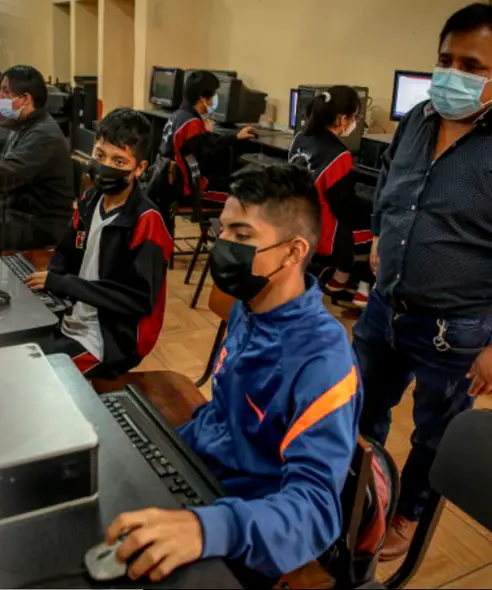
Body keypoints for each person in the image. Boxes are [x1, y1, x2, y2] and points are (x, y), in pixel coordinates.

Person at [105, 165, 361, 583]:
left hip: (246, 529)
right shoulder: (251, 303)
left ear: (295, 251)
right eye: (223, 230)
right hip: (199, 481)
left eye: (242, 236)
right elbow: (224, 416)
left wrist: (206, 527)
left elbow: (316, 511)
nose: (223, 245)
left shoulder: (322, 361)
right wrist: (155, 451)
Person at [357, 0, 492, 561]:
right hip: (385, 307)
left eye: (472, 66)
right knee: (361, 406)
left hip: (460, 327)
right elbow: (388, 188)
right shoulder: (420, 117)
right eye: (445, 60)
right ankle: (358, 492)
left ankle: (407, 512)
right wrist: (379, 234)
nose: (453, 74)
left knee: (435, 435)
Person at [26, 108, 171, 378]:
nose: (105, 167)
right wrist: (51, 287)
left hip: (109, 338)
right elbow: (65, 254)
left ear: (139, 169)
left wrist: (63, 284)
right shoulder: (90, 200)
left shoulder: (147, 222)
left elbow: (138, 300)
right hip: (73, 317)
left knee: (40, 376)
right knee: (17, 348)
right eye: (100, 155)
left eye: (119, 162)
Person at [288, 85, 374, 307]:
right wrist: (376, 207)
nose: (355, 123)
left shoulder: (300, 138)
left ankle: (340, 277)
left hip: (297, 221)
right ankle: (362, 284)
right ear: (342, 119)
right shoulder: (339, 156)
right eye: (355, 117)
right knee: (382, 224)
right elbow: (345, 208)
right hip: (324, 231)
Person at [0, 65, 74, 251]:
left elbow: (6, 174)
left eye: (5, 92)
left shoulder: (43, 135)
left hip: (41, 225)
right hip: (19, 216)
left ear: (25, 99)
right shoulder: (24, 126)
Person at [154, 71, 257, 235]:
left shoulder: (178, 116)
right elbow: (205, 159)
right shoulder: (192, 123)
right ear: (203, 97)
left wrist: (225, 136)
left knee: (233, 182)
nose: (214, 100)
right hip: (189, 192)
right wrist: (208, 133)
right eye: (214, 95)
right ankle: (225, 246)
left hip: (170, 187)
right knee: (242, 197)